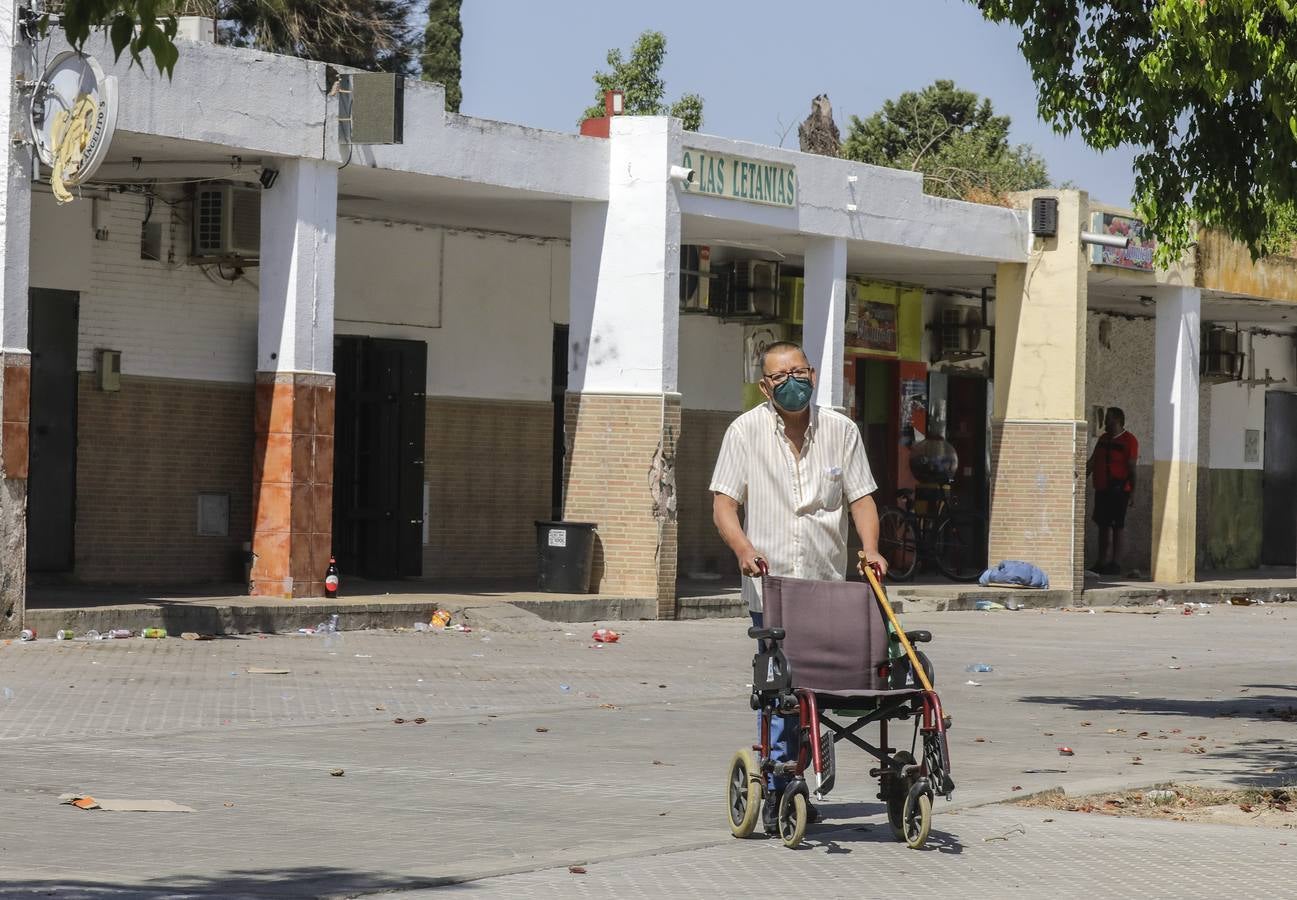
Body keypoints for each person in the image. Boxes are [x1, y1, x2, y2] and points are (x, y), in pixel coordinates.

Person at [710, 340, 888, 833]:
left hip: (826, 587)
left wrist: (870, 549)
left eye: (800, 371)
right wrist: (744, 549)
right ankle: (779, 782)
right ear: (765, 386)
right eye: (781, 375)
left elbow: (862, 499)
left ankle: (800, 768)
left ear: (812, 374)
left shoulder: (841, 431)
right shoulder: (744, 432)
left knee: (822, 689)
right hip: (770, 588)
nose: (793, 381)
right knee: (781, 690)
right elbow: (724, 504)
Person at [1087, 406, 1138, 576]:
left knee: (1117, 526)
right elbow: (1093, 461)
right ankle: (1102, 561)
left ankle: (1116, 563)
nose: (1105, 422)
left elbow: (1132, 467)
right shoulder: (1103, 439)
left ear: (1116, 420)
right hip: (1102, 488)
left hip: (1119, 489)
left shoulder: (1129, 440)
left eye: (1108, 418)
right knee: (1103, 525)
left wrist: (1132, 491)